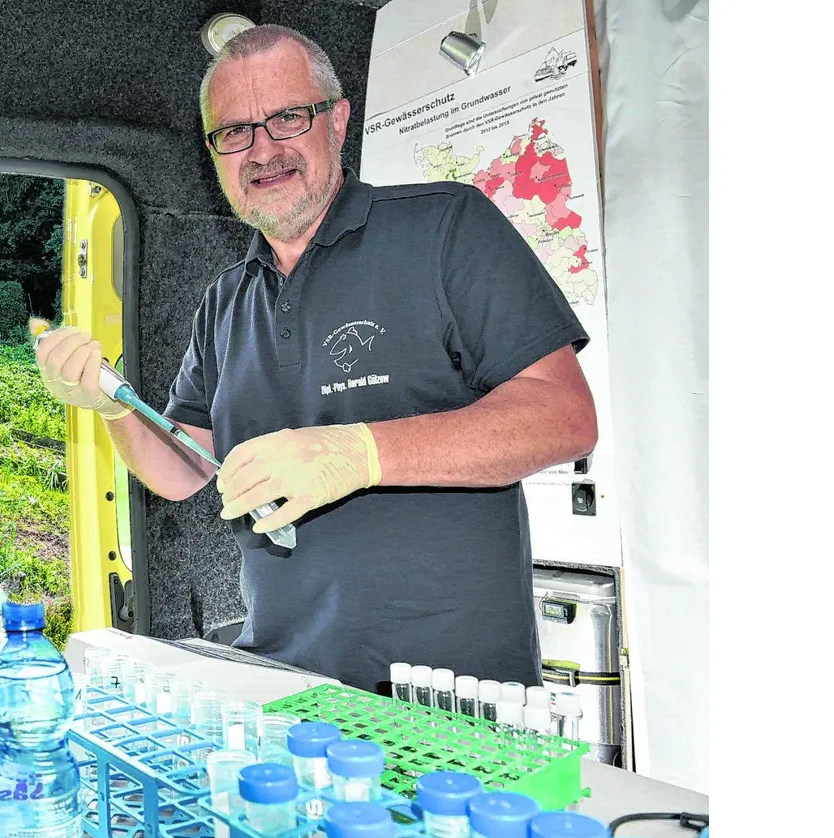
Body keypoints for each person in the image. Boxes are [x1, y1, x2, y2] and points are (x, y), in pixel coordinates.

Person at [31, 24, 597, 692]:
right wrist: (112, 403)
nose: (261, 150)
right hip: (281, 688)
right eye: (233, 132)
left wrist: (361, 453)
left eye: (286, 118)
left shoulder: (445, 227)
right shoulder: (225, 301)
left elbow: (564, 416)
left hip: (448, 700)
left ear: (336, 119)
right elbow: (184, 469)